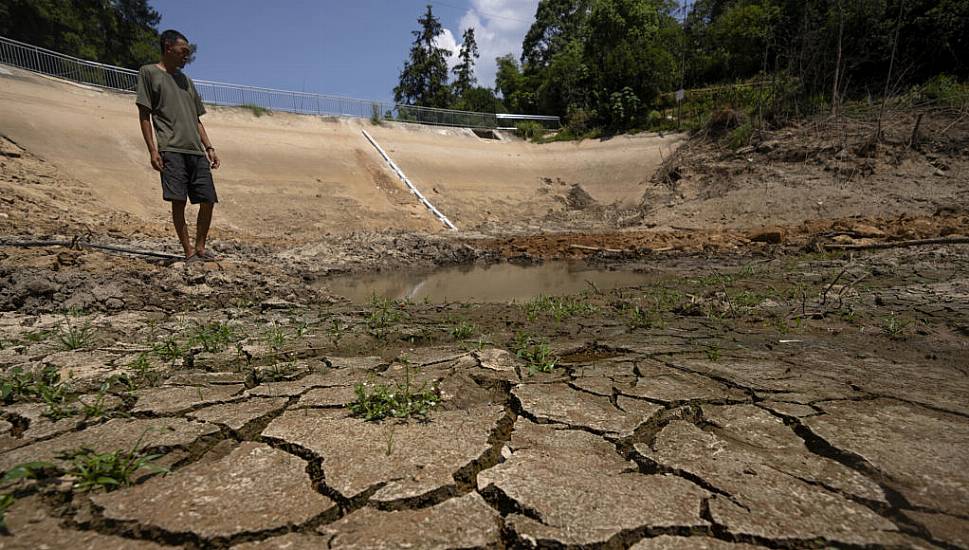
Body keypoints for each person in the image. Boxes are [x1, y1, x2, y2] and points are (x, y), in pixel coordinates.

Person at [136, 29, 221, 262]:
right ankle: (188, 252)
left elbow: (197, 119)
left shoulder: (186, 81)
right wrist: (153, 150)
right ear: (168, 47)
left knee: (208, 200)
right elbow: (144, 114)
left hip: (195, 150)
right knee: (178, 202)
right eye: (183, 51)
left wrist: (210, 147)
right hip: (171, 149)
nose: (187, 56)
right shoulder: (149, 73)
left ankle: (201, 247)